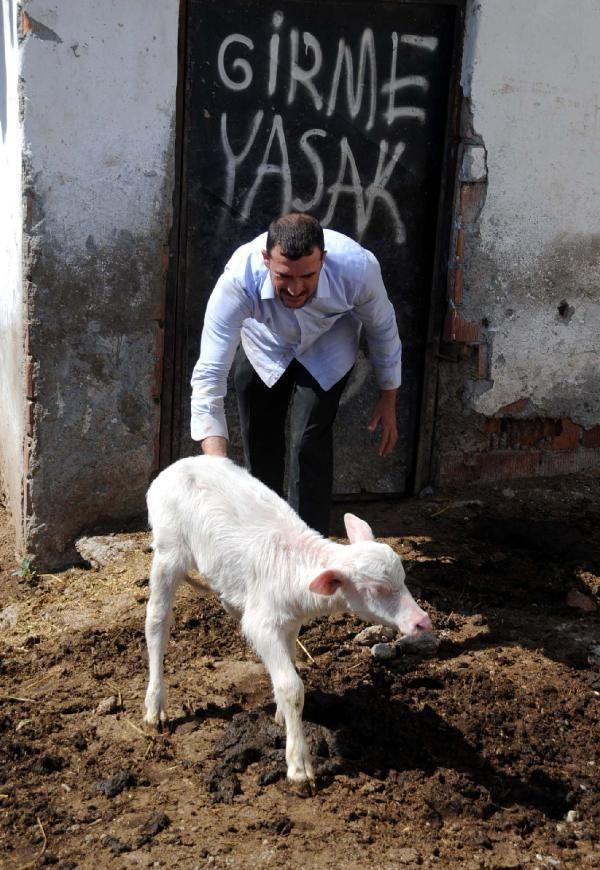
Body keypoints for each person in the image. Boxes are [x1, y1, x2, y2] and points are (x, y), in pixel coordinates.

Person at [190, 212, 402, 536]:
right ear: (266, 259)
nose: (295, 288)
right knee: (259, 438)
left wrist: (389, 397)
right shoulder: (239, 279)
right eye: (284, 276)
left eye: (308, 276)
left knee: (308, 444)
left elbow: (383, 329)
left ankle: (308, 545)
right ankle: (263, 539)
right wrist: (217, 467)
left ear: (323, 260)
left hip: (328, 345)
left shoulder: (357, 269)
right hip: (263, 341)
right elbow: (209, 374)